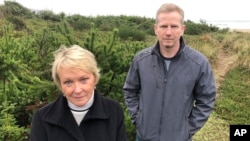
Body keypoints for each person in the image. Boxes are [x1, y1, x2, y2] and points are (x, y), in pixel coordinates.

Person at [123, 3, 216, 141]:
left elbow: (207, 99)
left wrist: (187, 129)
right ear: (156, 29)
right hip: (144, 137)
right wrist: (138, 119)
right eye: (163, 26)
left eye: (174, 26)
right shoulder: (141, 60)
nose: (168, 32)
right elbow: (130, 90)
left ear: (182, 29)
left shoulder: (198, 63)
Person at [30, 45, 127, 141]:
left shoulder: (114, 111)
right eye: (68, 82)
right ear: (60, 84)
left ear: (95, 78)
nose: (77, 90)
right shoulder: (42, 118)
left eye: (83, 79)